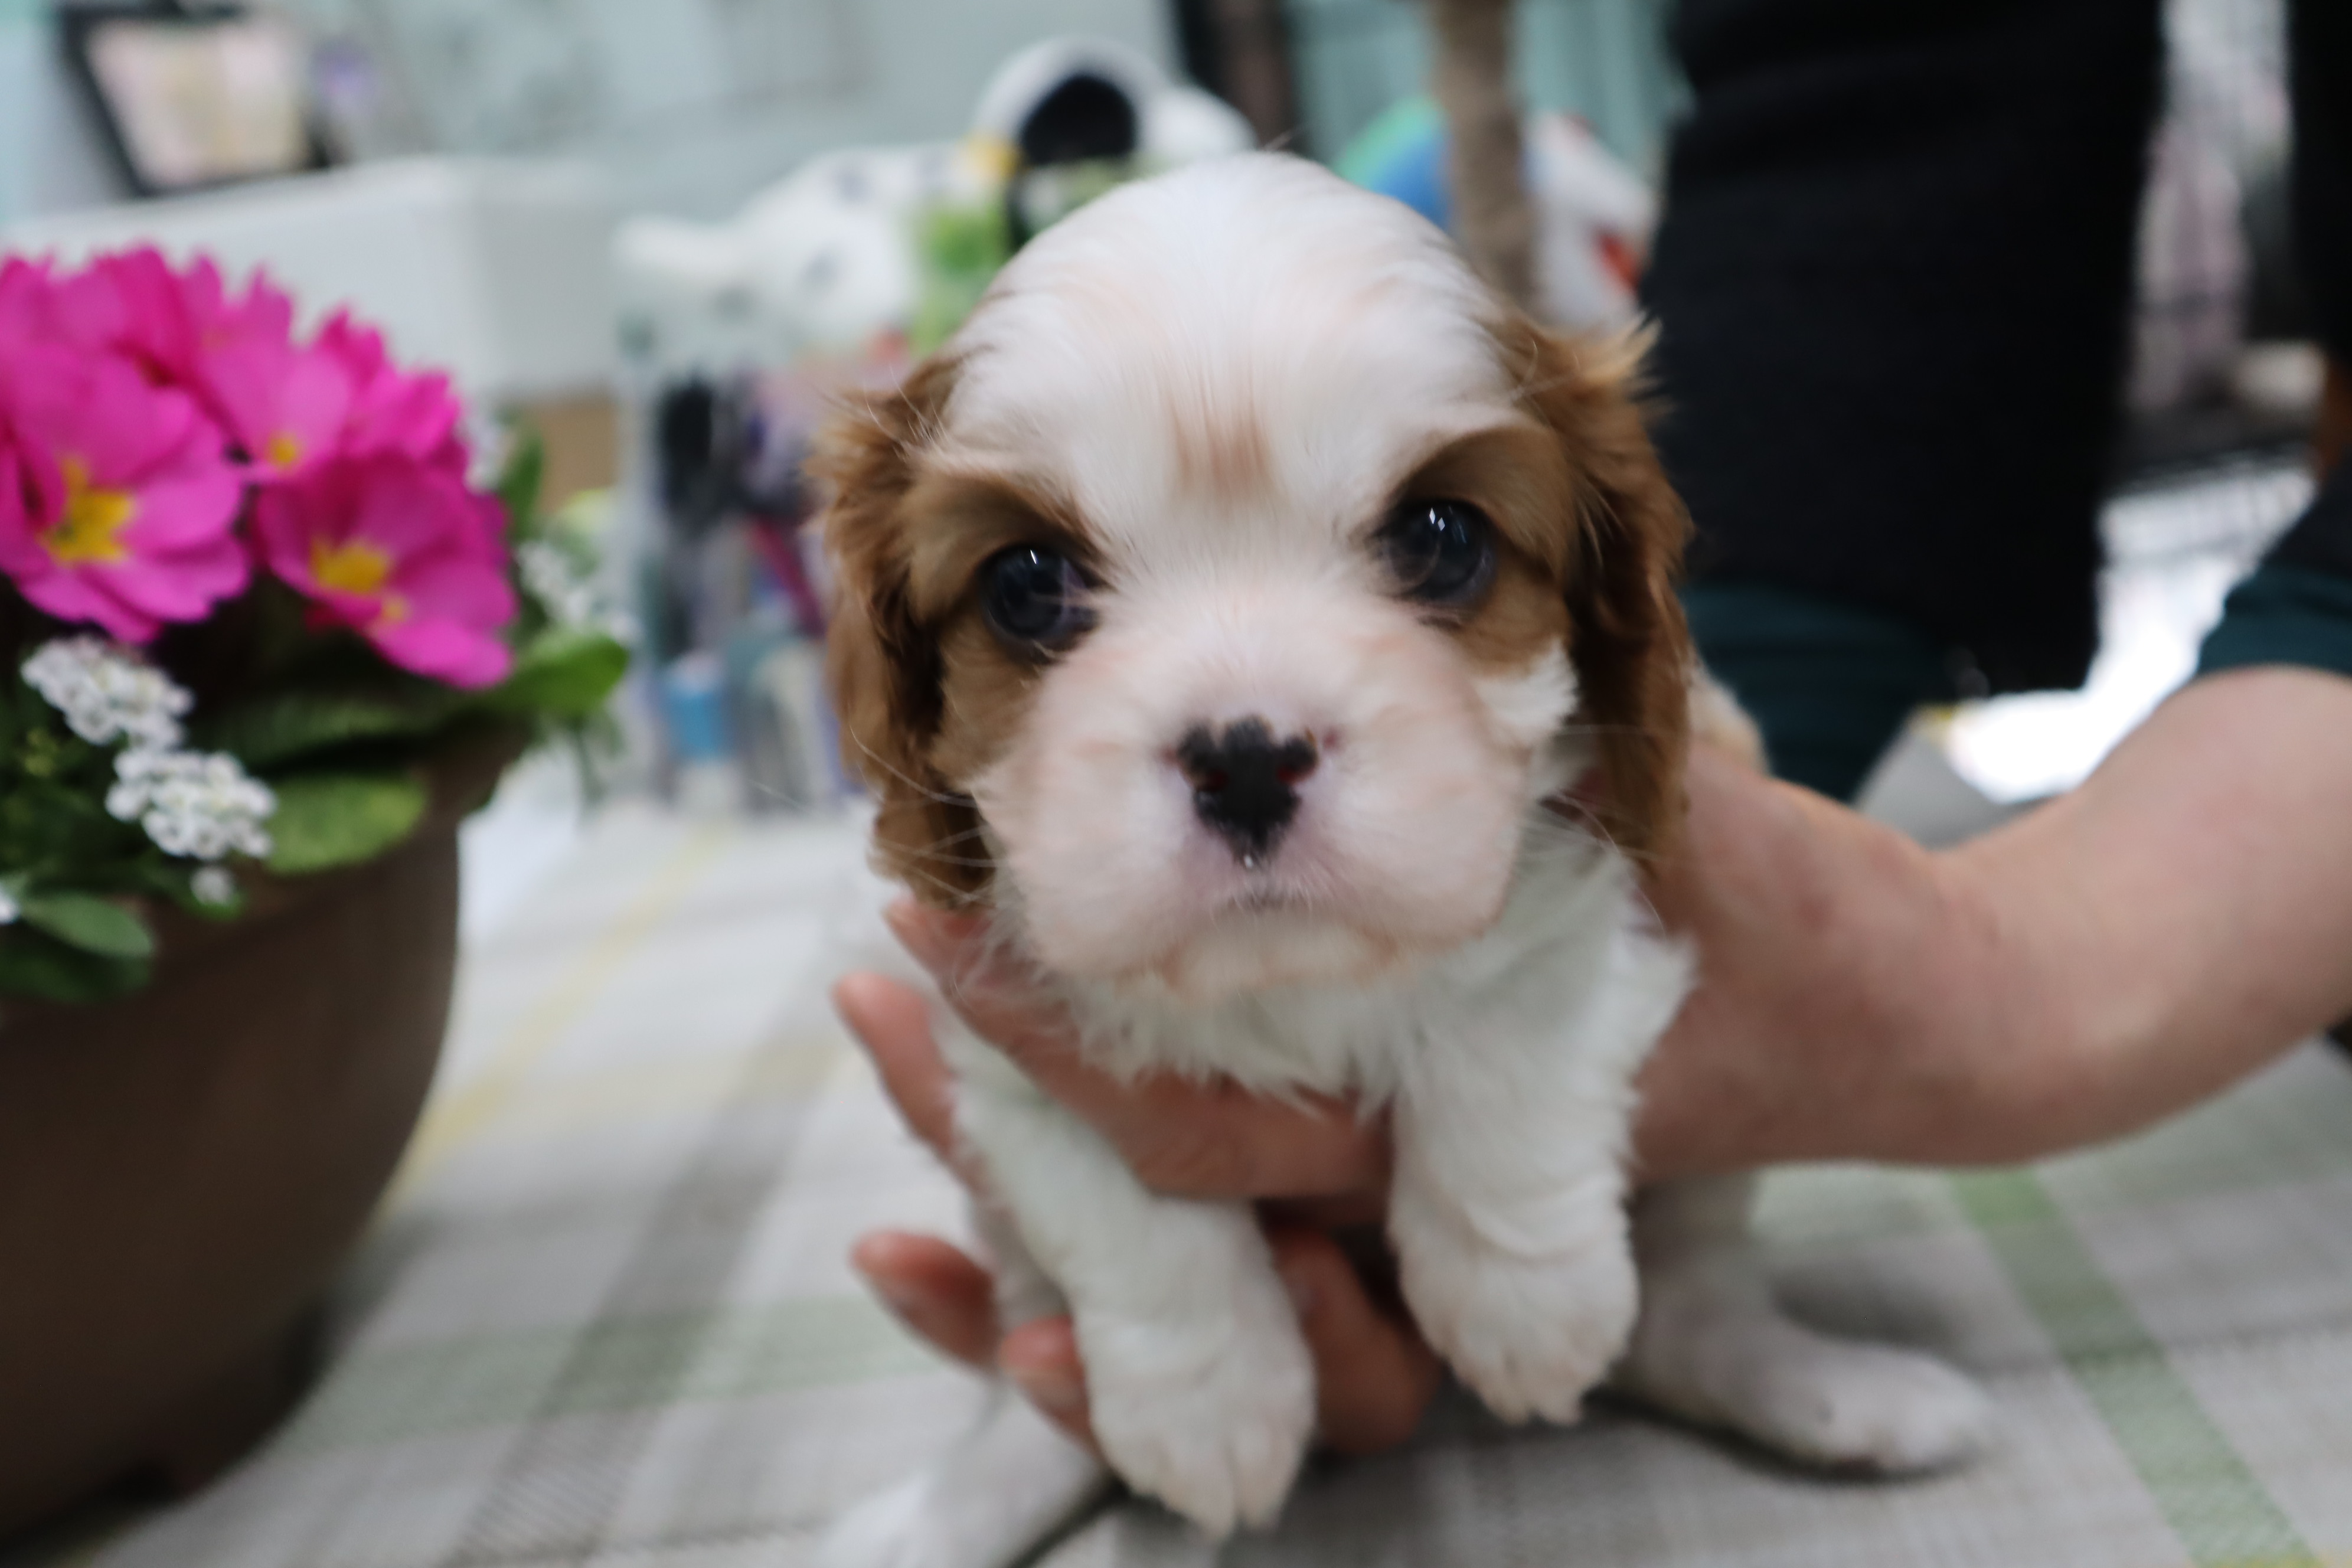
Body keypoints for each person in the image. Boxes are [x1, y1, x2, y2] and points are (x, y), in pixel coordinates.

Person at [834, 0, 2352, 1456]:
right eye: (1036, 593)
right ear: (896, 664)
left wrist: (1513, 1201)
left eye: (1433, 546)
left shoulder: (1575, 775)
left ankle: (1698, 1309)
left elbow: (1599, 932)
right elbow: (1891, 87)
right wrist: (1173, 1321)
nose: (1245, 732)